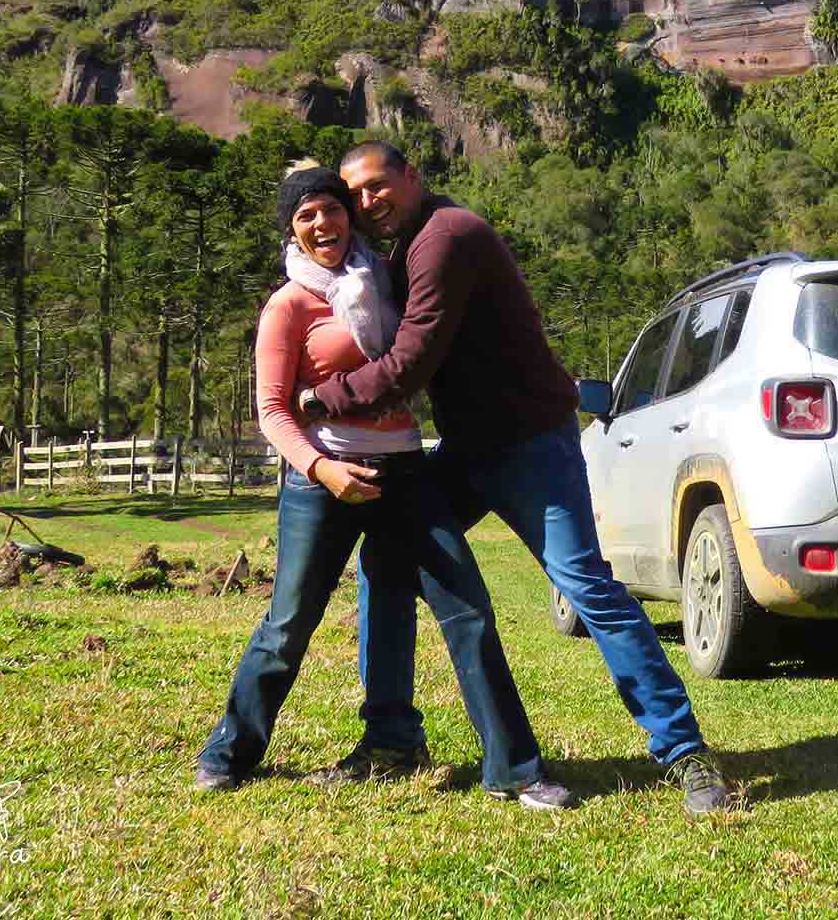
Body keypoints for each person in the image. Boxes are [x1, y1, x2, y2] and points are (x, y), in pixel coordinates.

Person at [299, 143, 732, 816]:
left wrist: (321, 398)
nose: (367, 201)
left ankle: (684, 752)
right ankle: (390, 740)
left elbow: (410, 361)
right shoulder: (404, 251)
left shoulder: (447, 237)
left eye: (378, 185)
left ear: (412, 176)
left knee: (585, 584)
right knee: (383, 558)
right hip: (471, 449)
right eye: (356, 194)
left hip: (530, 446)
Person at [195, 163, 573, 809]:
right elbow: (273, 410)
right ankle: (227, 753)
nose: (323, 224)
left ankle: (515, 769)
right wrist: (323, 471)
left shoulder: (386, 284)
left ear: (350, 215)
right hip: (324, 482)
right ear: (291, 230)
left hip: (405, 472)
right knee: (289, 624)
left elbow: (419, 354)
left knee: (469, 612)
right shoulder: (290, 305)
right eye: (306, 215)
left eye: (331, 209)